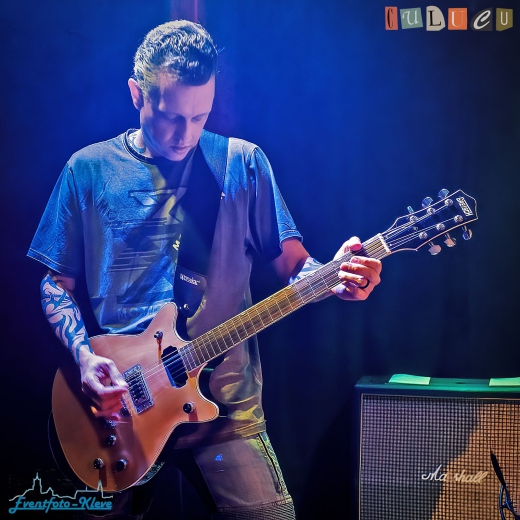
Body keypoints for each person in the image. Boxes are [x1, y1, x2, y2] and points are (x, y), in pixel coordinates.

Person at [28, 20, 382, 520]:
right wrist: (85, 359)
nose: (185, 135)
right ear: (136, 94)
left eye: (200, 117)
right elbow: (55, 284)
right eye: (171, 116)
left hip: (224, 408)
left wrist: (335, 279)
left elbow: (295, 267)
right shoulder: (87, 170)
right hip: (117, 410)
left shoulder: (242, 164)